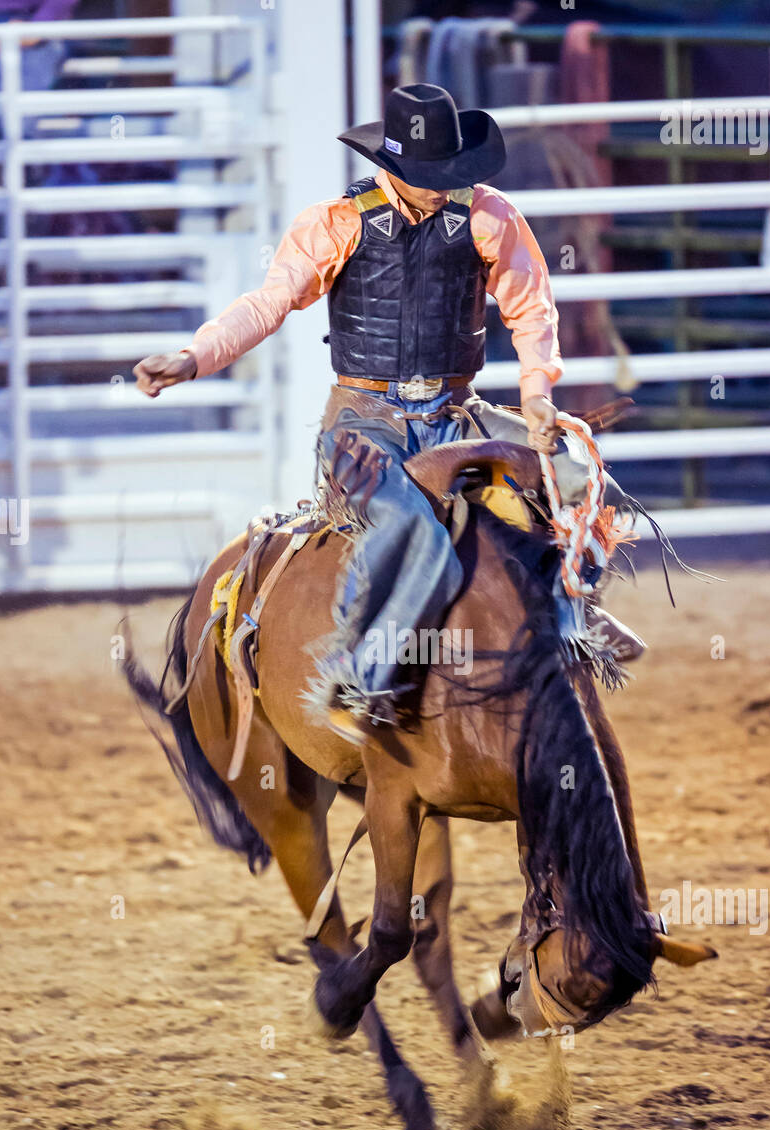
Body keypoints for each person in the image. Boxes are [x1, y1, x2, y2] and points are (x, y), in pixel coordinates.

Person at [134, 83, 642, 744]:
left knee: (573, 474)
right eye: (430, 176)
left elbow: (529, 309)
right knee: (417, 532)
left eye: (450, 173)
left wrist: (537, 395)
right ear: (393, 167)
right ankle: (359, 677)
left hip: (456, 413)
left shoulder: (489, 217)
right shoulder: (336, 222)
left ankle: (573, 623)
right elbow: (269, 301)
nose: (442, 187)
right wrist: (194, 355)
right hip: (362, 423)